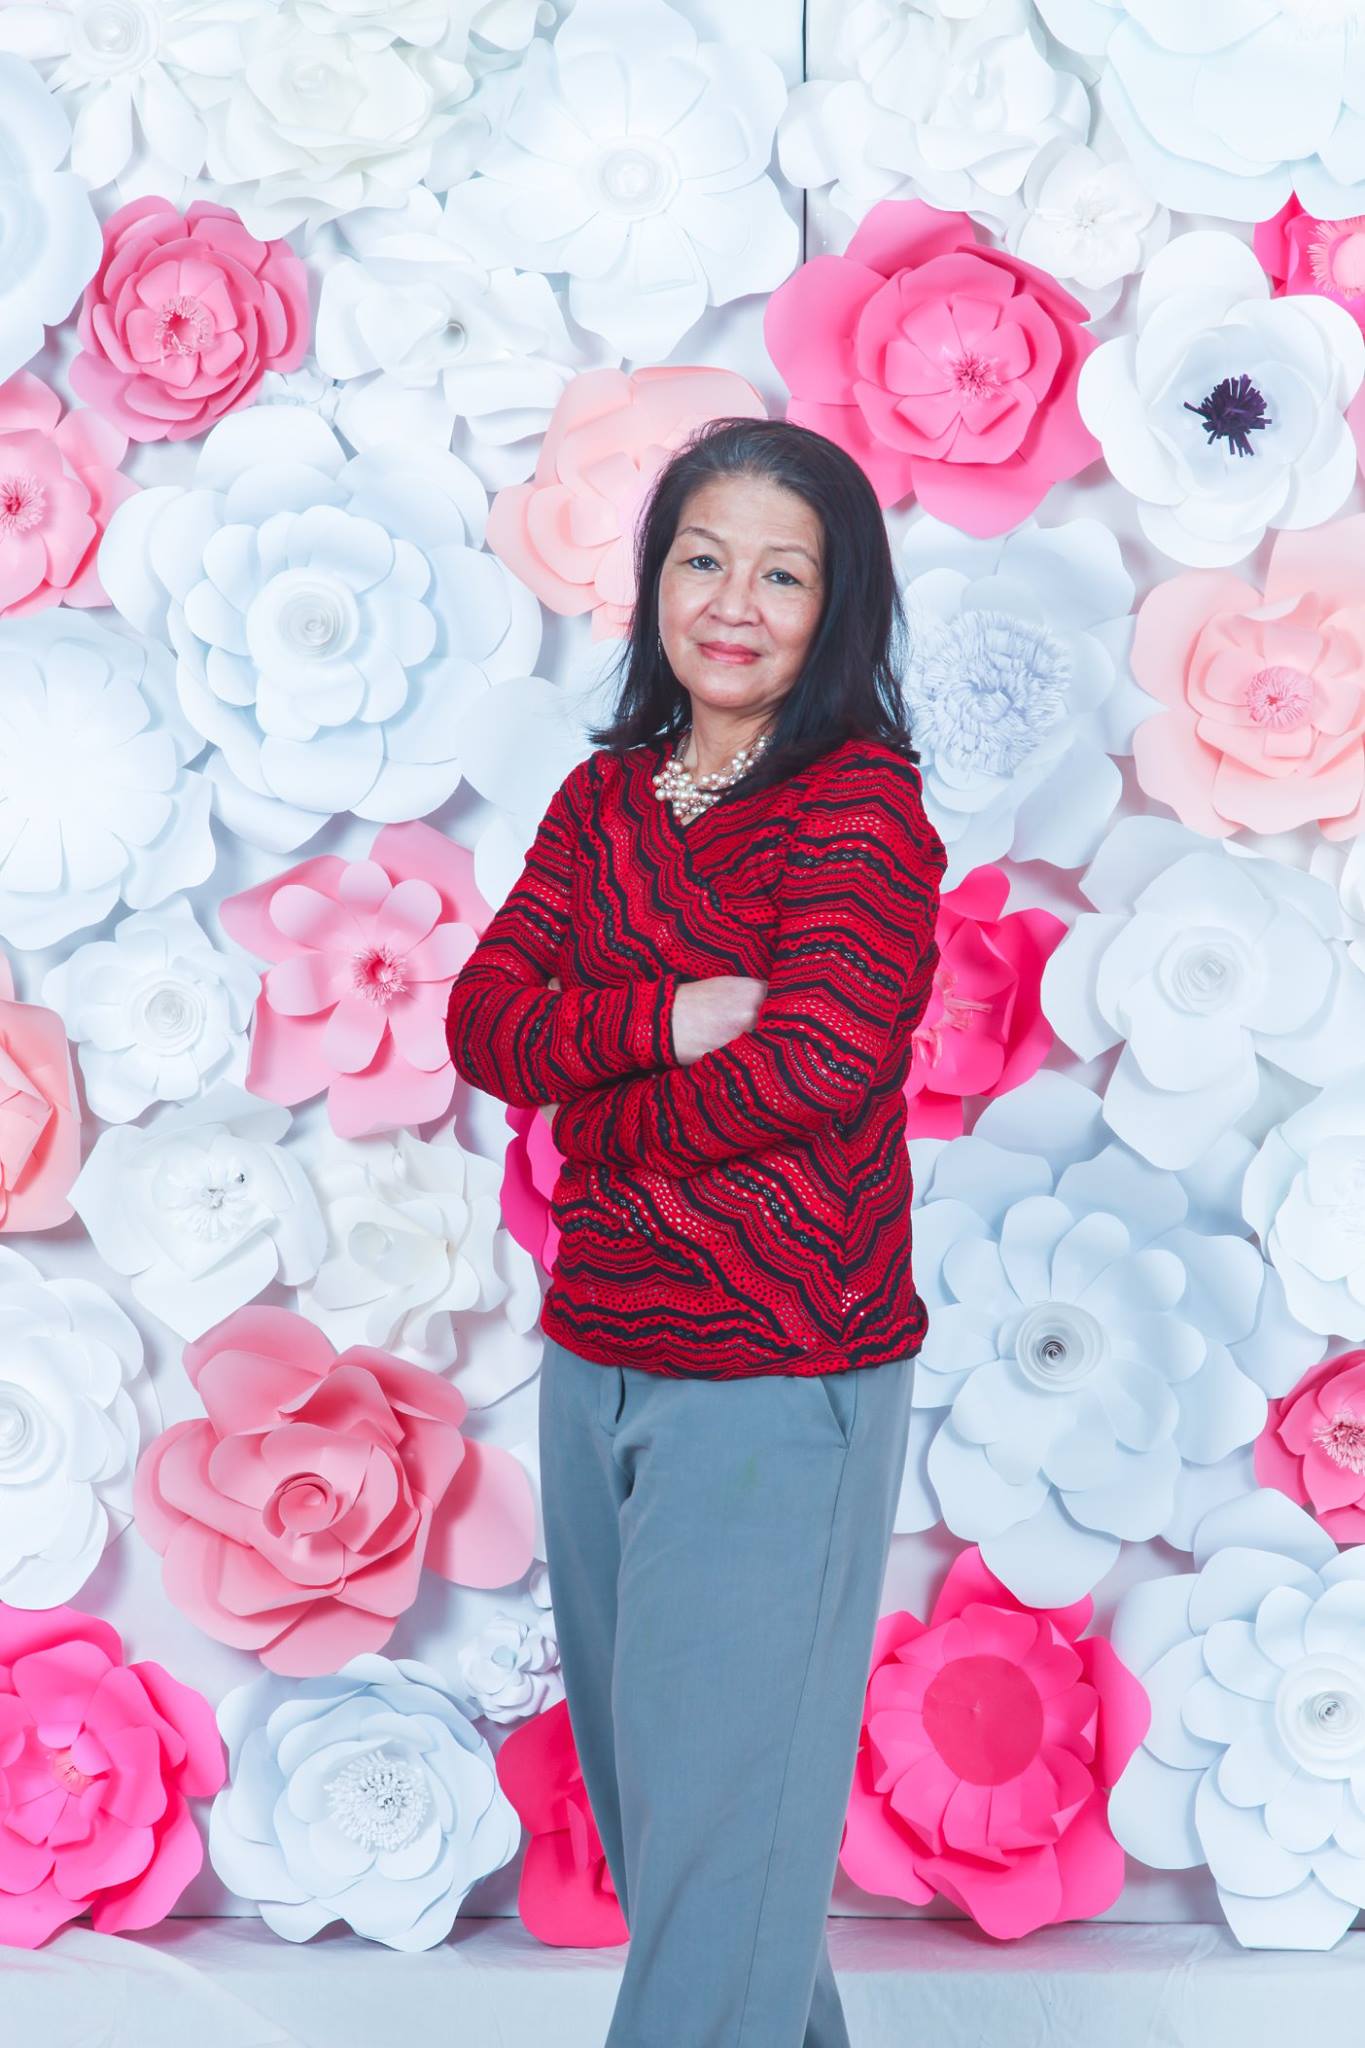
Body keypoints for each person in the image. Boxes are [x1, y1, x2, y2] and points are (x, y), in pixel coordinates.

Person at [445, 416, 947, 2047]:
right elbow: (483, 1020)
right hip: (596, 1353)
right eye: (702, 558)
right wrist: (662, 1020)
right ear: (655, 577)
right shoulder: (605, 799)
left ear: (837, 606)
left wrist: (591, 1121)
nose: (733, 603)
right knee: (690, 1843)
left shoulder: (858, 813)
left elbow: (809, 1069)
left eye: (781, 575)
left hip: (778, 1376)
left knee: (724, 1850)